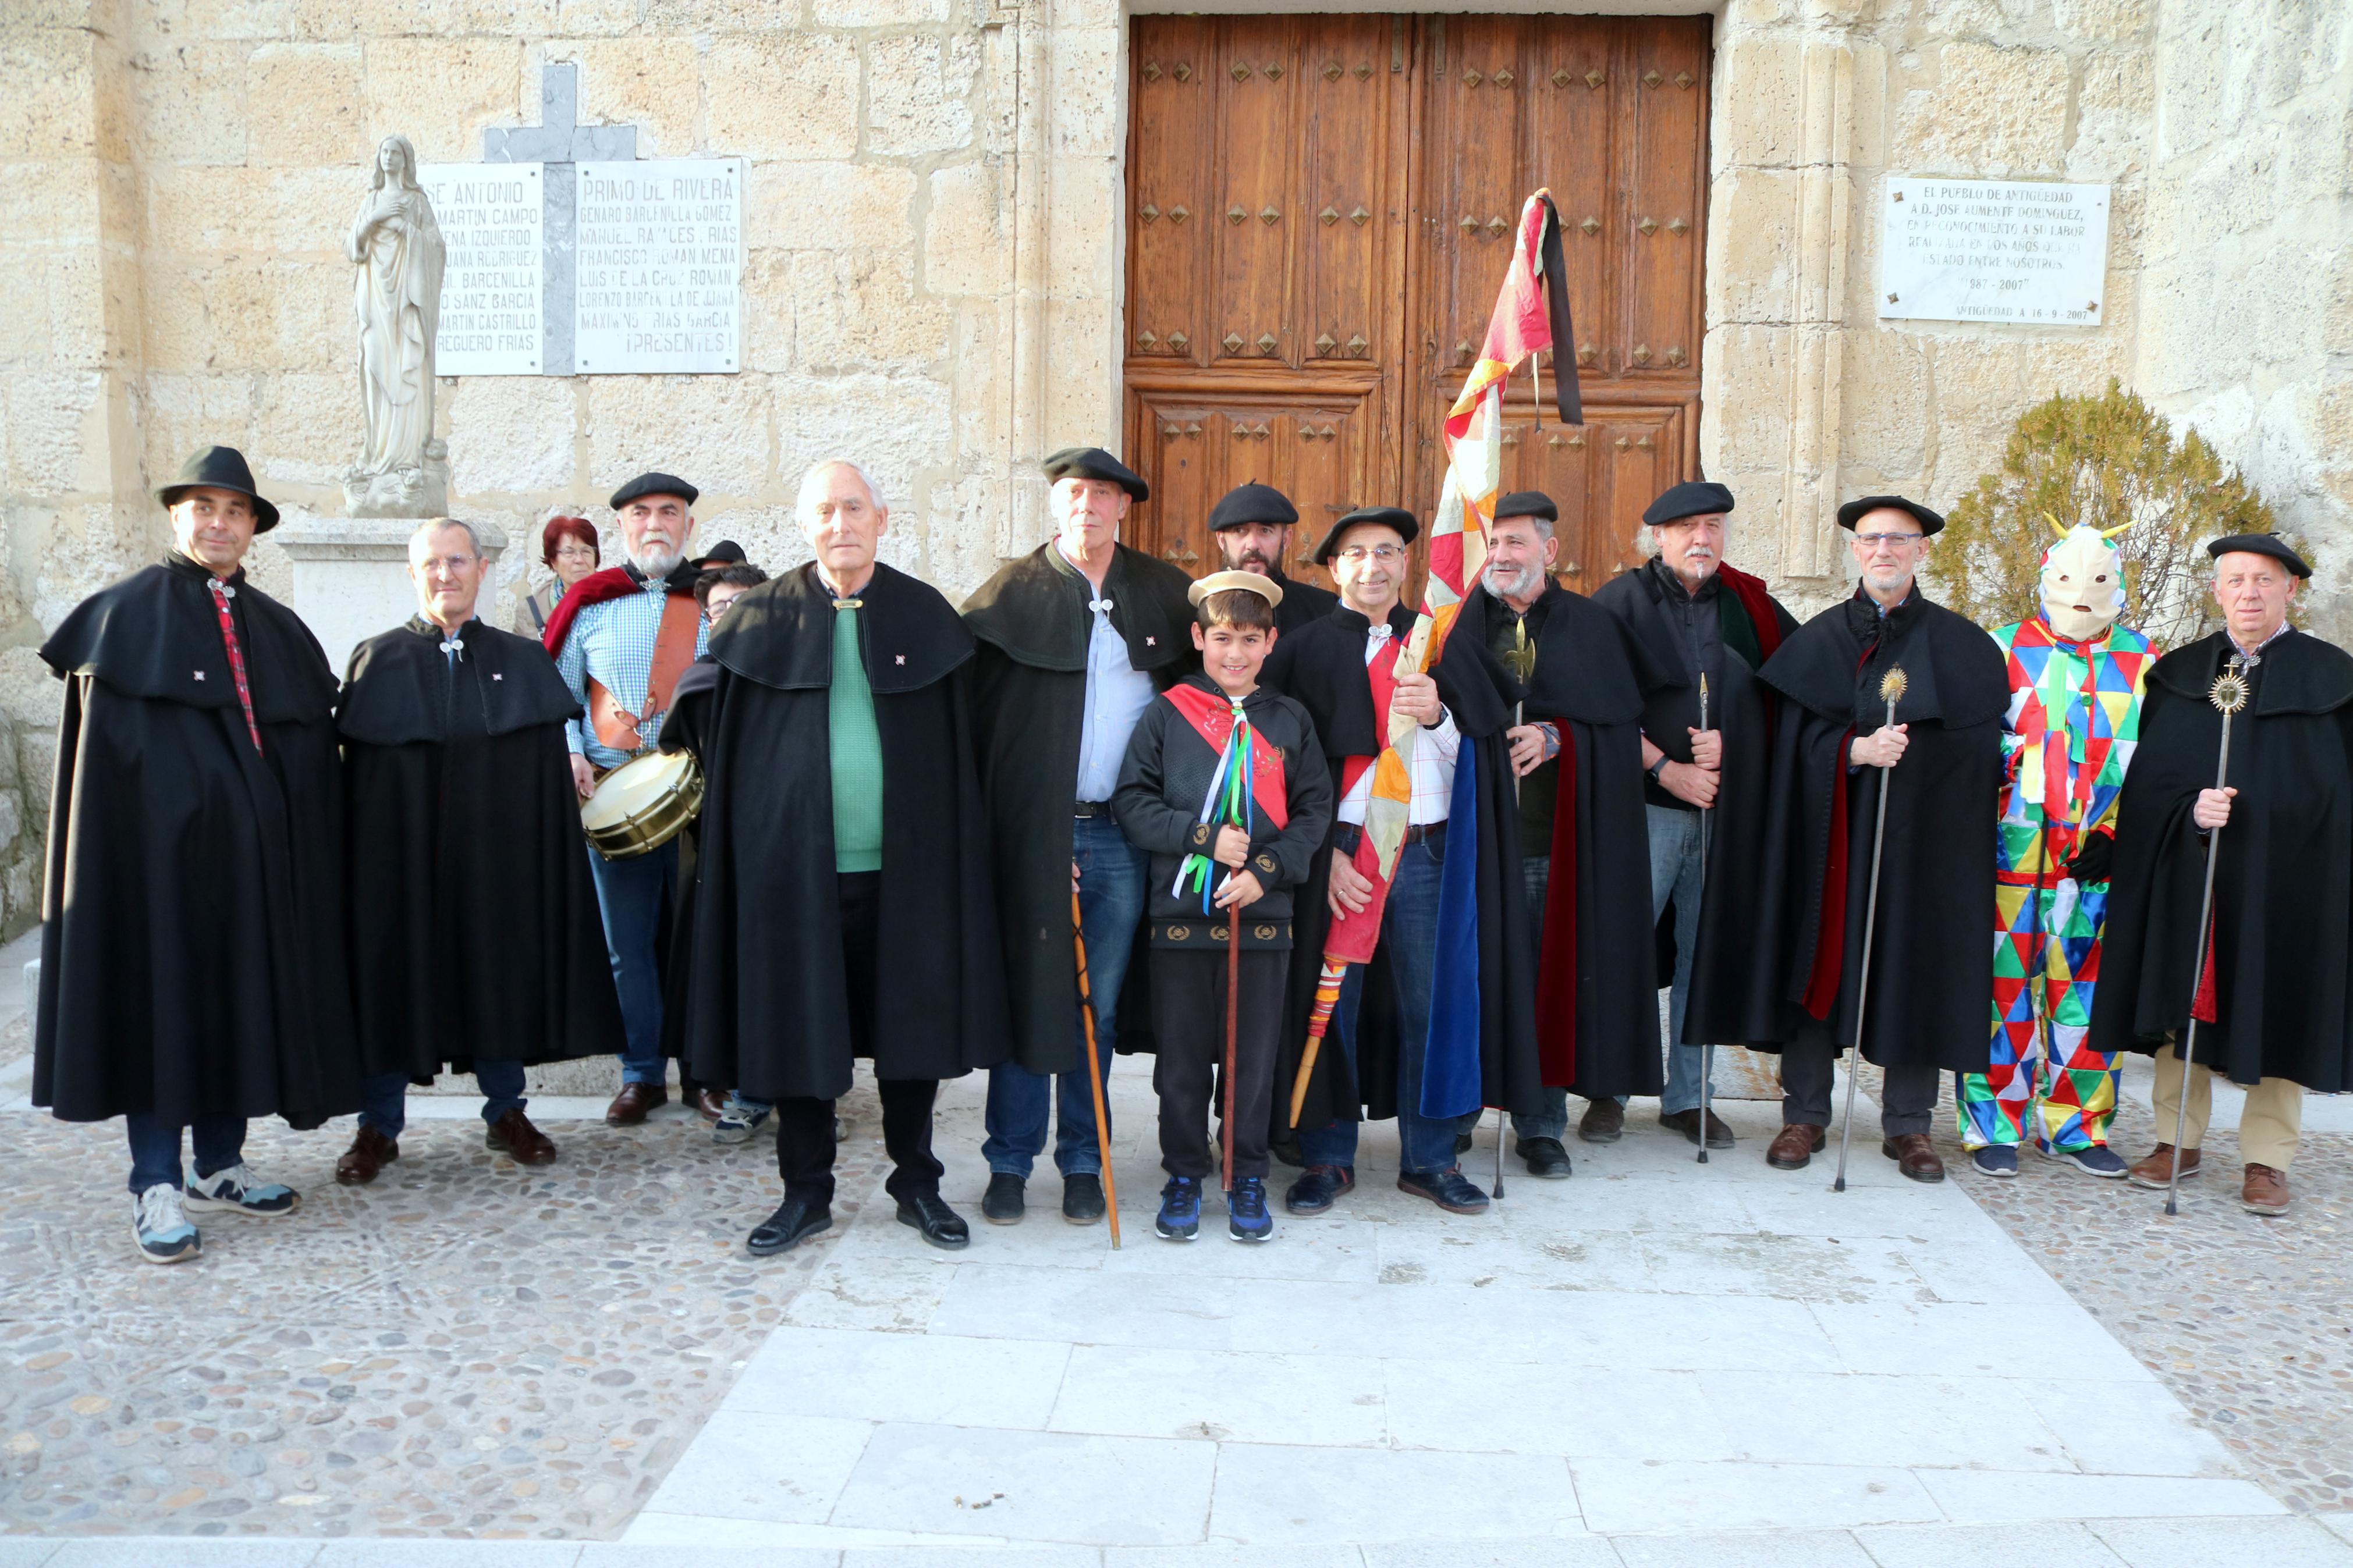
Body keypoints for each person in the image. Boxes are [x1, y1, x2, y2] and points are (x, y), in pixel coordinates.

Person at [663, 460, 1007, 1256]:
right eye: (825, 510)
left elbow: (960, 757)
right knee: (798, 1033)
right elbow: (723, 745)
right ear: (804, 524)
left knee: (909, 1033)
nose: (840, 524)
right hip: (795, 873)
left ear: (882, 521)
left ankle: (916, 1184)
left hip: (906, 872)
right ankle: (804, 1192)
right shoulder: (758, 622)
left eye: (855, 508)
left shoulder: (925, 617)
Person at [33, 446, 358, 1264]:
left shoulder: (279, 629)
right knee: (165, 1007)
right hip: (159, 869)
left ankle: (220, 1162)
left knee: (244, 998)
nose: (219, 523)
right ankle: (155, 1181)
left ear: (253, 527)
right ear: (177, 516)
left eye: (235, 511)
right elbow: (108, 769)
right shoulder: (123, 618)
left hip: (255, 868)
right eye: (203, 508)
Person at [1684, 496, 2007, 1184]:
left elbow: (1977, 756)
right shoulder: (1817, 642)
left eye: (1898, 539)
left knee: (1912, 966)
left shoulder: (1961, 646)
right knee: (1816, 964)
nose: (1883, 551)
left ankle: (1909, 1126)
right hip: (1825, 843)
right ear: (1854, 552)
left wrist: (1922, 761)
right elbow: (1784, 744)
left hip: (1923, 847)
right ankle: (1804, 1114)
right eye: (1870, 540)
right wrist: (1851, 751)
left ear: (1922, 551)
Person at [1262, 506, 1543, 1217]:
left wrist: (1437, 716)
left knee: (1431, 1003)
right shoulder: (1300, 651)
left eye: (1387, 551)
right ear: (1333, 569)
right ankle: (1327, 1157)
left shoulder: (1444, 644)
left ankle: (1428, 1158)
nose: (1373, 565)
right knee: (1332, 1007)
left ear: (1405, 565)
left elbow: (1477, 758)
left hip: (1425, 854)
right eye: (1356, 553)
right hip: (1345, 857)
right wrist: (1321, 857)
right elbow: (1279, 772)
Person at [334, 519, 626, 1184]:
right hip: (399, 871)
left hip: (495, 867)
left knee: (498, 974)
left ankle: (506, 1113)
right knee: (392, 980)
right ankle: (378, 1125)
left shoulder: (522, 662)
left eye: (457, 560)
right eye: (432, 563)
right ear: (413, 574)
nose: (446, 574)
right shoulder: (376, 660)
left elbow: (543, 785)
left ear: (482, 567)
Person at [961, 447, 1198, 1226]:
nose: (1087, 506)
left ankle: (1082, 1160)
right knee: (1030, 994)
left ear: (1124, 506)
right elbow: (979, 731)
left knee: (1090, 1006)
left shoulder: (1161, 592)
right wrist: (1020, 832)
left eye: (1102, 494)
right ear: (1054, 503)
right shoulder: (1009, 595)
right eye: (1073, 493)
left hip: (1124, 836)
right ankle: (1007, 1159)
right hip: (1038, 832)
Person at [2089, 534, 2353, 1217]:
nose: (2248, 593)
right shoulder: (2178, 676)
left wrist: (2295, 818)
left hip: (2291, 875)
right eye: (2235, 580)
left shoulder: (2333, 678)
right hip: (2195, 872)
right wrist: (2188, 811)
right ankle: (2177, 1140)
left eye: (2263, 580)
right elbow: (2148, 788)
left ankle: (2267, 1158)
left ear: (2290, 589)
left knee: (2278, 1000)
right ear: (2215, 591)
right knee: (2186, 998)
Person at [1454, 489, 1685, 1175]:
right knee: (1470, 982)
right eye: (1491, 544)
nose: (1500, 556)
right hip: (1472, 841)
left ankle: (1541, 1125)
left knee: (1545, 985)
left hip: (1551, 843)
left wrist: (1558, 736)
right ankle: (1459, 1112)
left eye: (1515, 543)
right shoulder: (1454, 624)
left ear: (1548, 551)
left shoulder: (1589, 625)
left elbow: (1616, 729)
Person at [1112, 571, 1334, 1242]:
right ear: (1196, 639)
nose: (1232, 654)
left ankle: (1245, 1175)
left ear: (1271, 642)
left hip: (1262, 918)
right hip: (1181, 915)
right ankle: (1183, 1172)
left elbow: (1312, 810)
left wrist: (1265, 870)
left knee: (1251, 1057)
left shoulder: (1290, 720)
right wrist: (1204, 838)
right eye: (1219, 639)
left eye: (1246, 640)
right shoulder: (1165, 714)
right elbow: (1132, 801)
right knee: (1180, 1060)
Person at [1589, 482, 1798, 1155]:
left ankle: (1689, 1097)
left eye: (1711, 525)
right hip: (1639, 812)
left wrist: (1736, 743)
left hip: (1720, 819)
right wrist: (1662, 766)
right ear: (1657, 536)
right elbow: (1590, 709)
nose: (1699, 538)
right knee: (1620, 948)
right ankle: (1607, 1089)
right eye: (1684, 528)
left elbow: (1790, 701)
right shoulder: (1616, 606)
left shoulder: (1752, 607)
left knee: (1702, 955)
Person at [1958, 521, 2154, 1178]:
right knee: (2004, 989)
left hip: (2094, 859)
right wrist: (2016, 763)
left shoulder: (2142, 661)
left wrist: (2116, 836)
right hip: (2012, 852)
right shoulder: (2002, 648)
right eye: (2066, 580)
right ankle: (1992, 1122)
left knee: (2087, 993)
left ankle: (2076, 1125)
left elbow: (2157, 765)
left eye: (2096, 581)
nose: (2079, 597)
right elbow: (1969, 742)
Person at [545, 471, 711, 1126]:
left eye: (668, 512)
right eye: (640, 513)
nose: (654, 523)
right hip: (613, 797)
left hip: (698, 798)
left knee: (698, 940)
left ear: (687, 526)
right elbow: (555, 695)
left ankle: (703, 1073)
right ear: (621, 526)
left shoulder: (713, 600)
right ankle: (641, 1073)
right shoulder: (588, 603)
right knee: (627, 945)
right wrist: (571, 749)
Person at [1207, 482, 1341, 635]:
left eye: (1265, 531)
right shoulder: (1199, 609)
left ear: (1286, 540)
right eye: (1239, 531)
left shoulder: (1323, 610)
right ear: (1222, 541)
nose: (1253, 545)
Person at [514, 514, 600, 636]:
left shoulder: (615, 601)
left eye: (586, 551)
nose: (579, 560)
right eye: (569, 552)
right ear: (554, 561)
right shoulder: (531, 611)